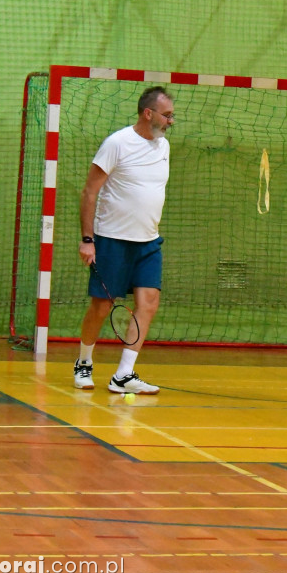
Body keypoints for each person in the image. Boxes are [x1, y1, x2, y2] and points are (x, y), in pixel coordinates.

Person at [73, 86, 175, 395]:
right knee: (102, 307)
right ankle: (84, 363)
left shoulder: (164, 147)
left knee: (149, 304)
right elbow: (90, 192)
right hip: (112, 240)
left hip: (148, 242)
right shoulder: (117, 143)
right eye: (167, 115)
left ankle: (124, 374)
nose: (171, 121)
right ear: (149, 113)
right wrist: (88, 240)